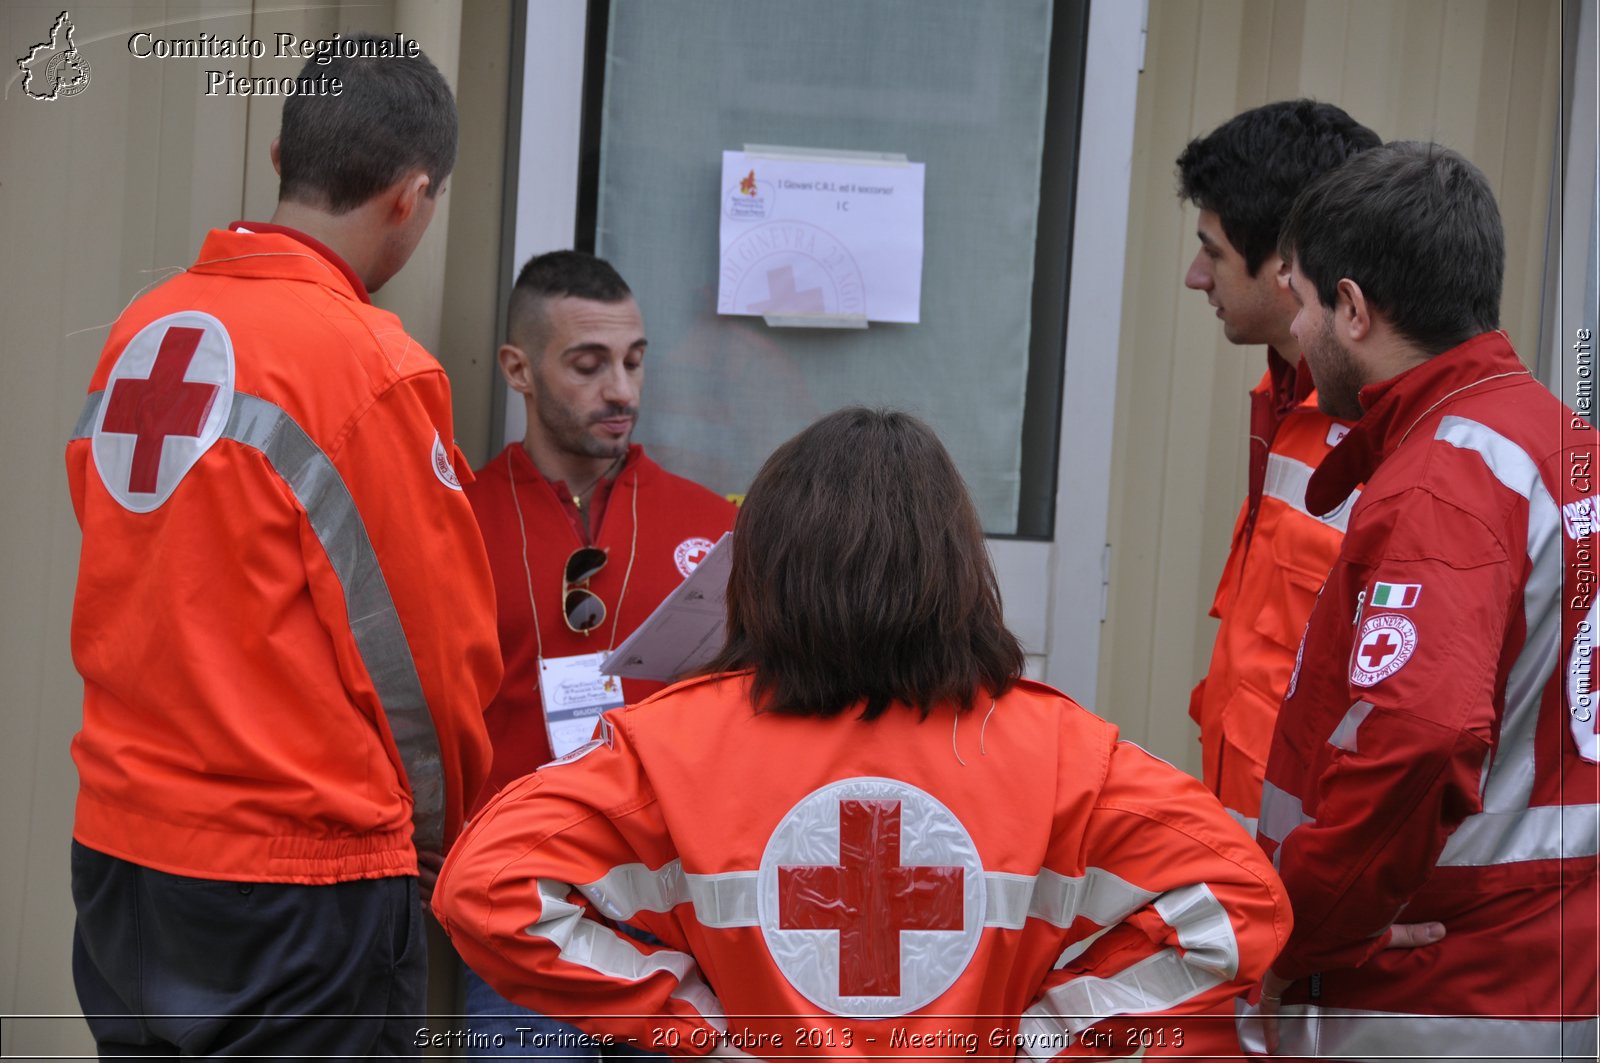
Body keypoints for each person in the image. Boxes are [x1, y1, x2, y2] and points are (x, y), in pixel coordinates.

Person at [436, 407, 1291, 1060]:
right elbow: (1237, 908)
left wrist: (699, 1026)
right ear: (958, 567)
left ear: (762, 568)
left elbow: (487, 888)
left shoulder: (669, 746)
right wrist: (1041, 1039)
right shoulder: (1066, 752)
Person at [65, 39, 501, 1058]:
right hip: (295, 880)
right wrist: (443, 833)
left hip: (123, 855)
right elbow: (434, 657)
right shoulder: (370, 367)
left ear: (278, 156)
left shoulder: (143, 332)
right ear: (411, 194)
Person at [1245, 142, 1600, 1059]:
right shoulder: (1563, 444)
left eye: (1309, 304)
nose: (1302, 329)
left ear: (1354, 309)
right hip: (1546, 970)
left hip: (1441, 997)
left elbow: (1421, 732)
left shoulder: (1446, 479)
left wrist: (1302, 931)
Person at [460, 250, 736, 1057]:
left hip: (681, 922)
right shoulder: (456, 524)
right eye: (589, 364)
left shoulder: (713, 530)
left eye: (634, 361)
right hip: (526, 917)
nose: (621, 390)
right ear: (517, 368)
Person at [1176, 100, 1380, 834]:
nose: (1197, 277)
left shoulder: (1394, 439)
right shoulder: (1284, 400)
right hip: (1259, 872)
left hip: (1322, 903)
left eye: (1215, 251)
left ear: (1288, 266)